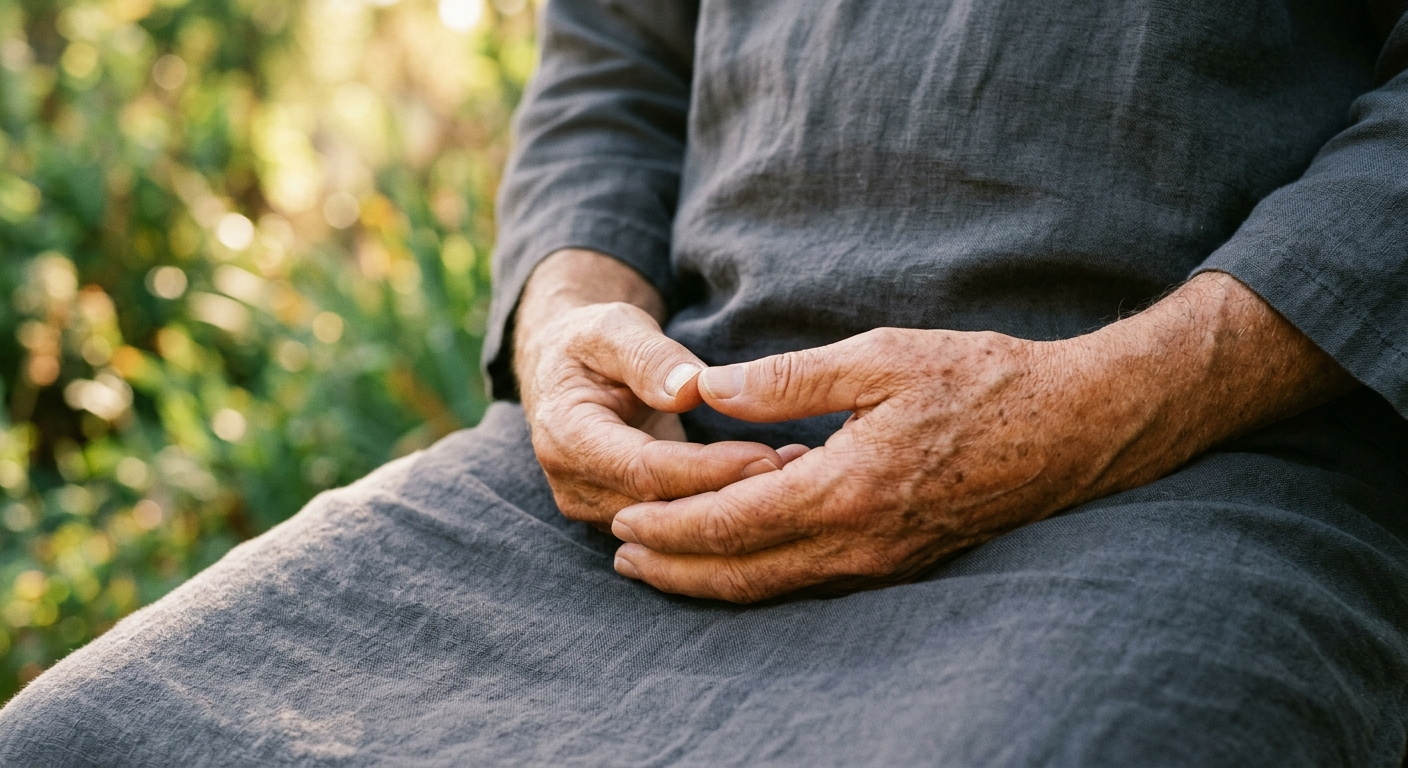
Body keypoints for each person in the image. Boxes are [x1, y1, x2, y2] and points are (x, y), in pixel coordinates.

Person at [3, 0, 1407, 763]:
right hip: (653, 478)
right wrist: (570, 317)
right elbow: (611, 63)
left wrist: (1094, 405)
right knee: (89, 739)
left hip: (1174, 475)